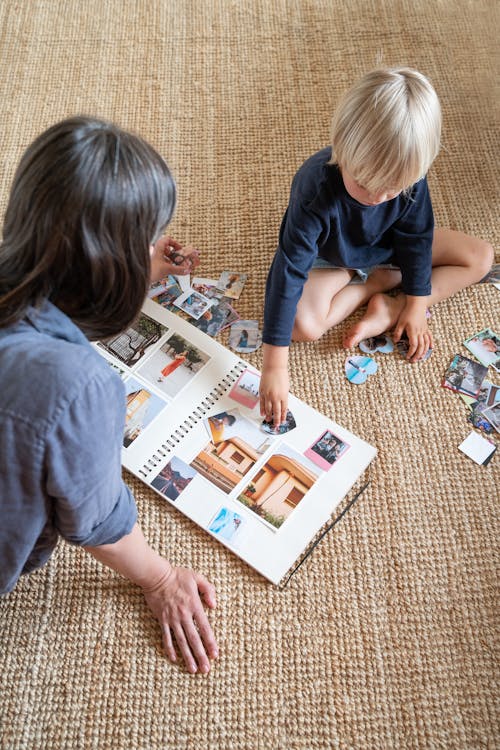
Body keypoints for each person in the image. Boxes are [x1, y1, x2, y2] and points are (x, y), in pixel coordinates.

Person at [0, 116, 218, 674]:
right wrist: (163, 579)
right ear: (106, 267)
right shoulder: (78, 385)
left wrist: (134, 263)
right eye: (142, 243)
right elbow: (94, 518)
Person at [260, 67, 494, 425]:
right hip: (333, 258)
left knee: (481, 257)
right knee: (302, 327)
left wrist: (416, 305)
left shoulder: (410, 178)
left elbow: (417, 241)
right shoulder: (314, 186)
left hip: (391, 251)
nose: (380, 196)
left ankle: (392, 302)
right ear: (342, 147)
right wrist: (274, 364)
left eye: (394, 188)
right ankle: (372, 284)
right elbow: (289, 267)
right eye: (367, 184)